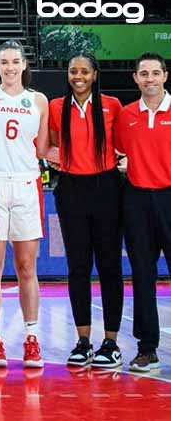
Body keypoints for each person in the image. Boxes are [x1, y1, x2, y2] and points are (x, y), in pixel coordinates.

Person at [0, 40, 51, 368]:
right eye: (4, 62)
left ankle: (32, 339)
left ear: (23, 64)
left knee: (26, 267)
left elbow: (43, 147)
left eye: (15, 61)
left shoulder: (38, 100)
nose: (9, 67)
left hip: (26, 183)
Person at [48, 52, 124, 368]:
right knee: (78, 267)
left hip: (106, 188)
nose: (77, 76)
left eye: (84, 71)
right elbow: (52, 146)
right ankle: (82, 342)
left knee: (109, 267)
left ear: (94, 74)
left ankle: (111, 343)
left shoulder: (112, 106)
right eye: (72, 71)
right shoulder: (55, 107)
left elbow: (121, 145)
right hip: (71, 189)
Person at [114, 51, 170, 372]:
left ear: (165, 76)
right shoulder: (126, 115)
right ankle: (147, 349)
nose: (149, 79)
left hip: (170, 197)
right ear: (135, 78)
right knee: (143, 276)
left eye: (155, 73)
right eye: (143, 74)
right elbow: (120, 151)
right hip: (136, 200)